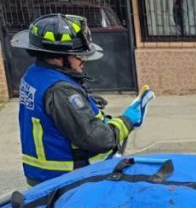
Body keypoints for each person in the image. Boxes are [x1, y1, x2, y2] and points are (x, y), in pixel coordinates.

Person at [13, 13, 153, 187]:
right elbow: (99, 140)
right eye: (79, 56)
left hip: (44, 175)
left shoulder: (35, 74)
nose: (84, 61)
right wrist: (127, 121)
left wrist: (85, 102)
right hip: (68, 180)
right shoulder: (61, 91)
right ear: (59, 57)